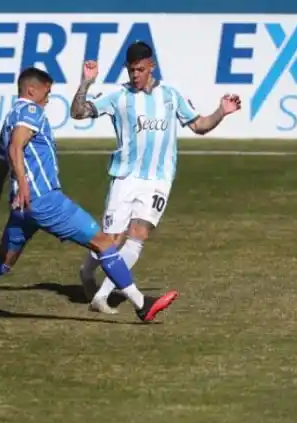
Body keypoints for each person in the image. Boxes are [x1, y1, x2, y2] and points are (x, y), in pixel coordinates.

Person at [0, 66, 179, 325]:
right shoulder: (30, 111)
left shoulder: (7, 121)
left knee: (3, 262)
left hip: (21, 208)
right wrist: (26, 185)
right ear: (31, 90)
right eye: (46, 92)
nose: (48, 98)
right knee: (104, 243)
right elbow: (17, 146)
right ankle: (142, 305)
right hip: (44, 200)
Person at [69, 42, 242, 314]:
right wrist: (85, 83)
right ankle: (86, 272)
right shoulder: (118, 97)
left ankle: (102, 295)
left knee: (138, 235)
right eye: (131, 70)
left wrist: (222, 111)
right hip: (125, 177)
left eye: (140, 69)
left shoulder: (171, 96)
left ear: (152, 66)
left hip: (158, 179)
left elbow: (199, 126)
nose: (135, 75)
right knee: (111, 241)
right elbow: (78, 113)